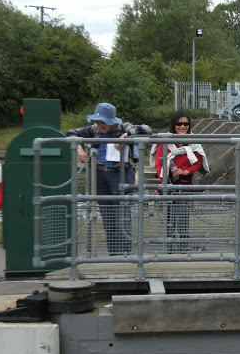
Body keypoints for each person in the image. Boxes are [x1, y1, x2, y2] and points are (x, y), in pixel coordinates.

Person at [66, 103, 152, 255]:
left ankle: (124, 252)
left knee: (122, 213)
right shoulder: (93, 130)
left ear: (112, 121)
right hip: (99, 175)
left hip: (120, 174)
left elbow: (146, 129)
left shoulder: (122, 127)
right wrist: (78, 147)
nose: (100, 124)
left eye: (104, 122)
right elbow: (70, 133)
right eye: (98, 121)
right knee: (107, 215)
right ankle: (113, 252)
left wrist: (125, 137)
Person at [150, 110, 209, 252]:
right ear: (173, 125)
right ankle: (168, 244)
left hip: (185, 183)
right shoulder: (164, 141)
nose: (183, 127)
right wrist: (164, 182)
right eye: (179, 124)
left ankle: (183, 243)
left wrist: (185, 171)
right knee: (168, 216)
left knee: (183, 216)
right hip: (168, 183)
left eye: (186, 124)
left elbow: (198, 163)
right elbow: (159, 164)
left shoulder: (193, 142)